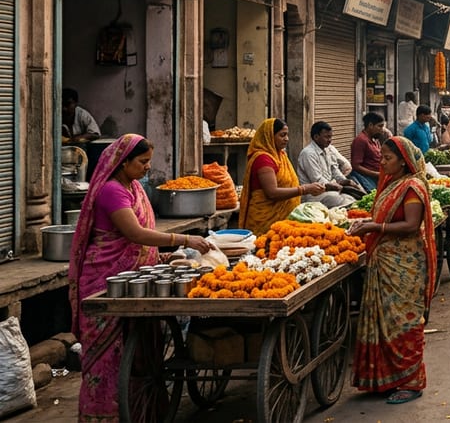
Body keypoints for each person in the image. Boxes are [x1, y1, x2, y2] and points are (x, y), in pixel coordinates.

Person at [69, 134, 215, 422]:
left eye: (149, 161)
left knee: (141, 354)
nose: (148, 167)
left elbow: (140, 243)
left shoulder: (135, 188)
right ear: (123, 163)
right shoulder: (112, 191)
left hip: (134, 277)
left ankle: (139, 412)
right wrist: (183, 239)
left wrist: (160, 257)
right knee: (107, 357)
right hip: (106, 281)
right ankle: (103, 415)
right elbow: (134, 234)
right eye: (142, 162)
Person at [348, 136, 437, 405]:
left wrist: (375, 228)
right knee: (384, 320)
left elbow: (411, 225)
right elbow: (383, 217)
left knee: (403, 322)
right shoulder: (392, 184)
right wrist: (369, 222)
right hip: (384, 260)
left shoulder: (412, 186)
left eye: (388, 158)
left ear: (403, 161)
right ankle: (386, 377)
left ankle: (411, 381)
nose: (383, 163)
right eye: (382, 157)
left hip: (405, 263)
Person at [240, 118, 324, 233]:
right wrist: (304, 189)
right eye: (282, 135)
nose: (287, 139)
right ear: (269, 136)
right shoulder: (263, 159)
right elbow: (272, 193)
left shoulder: (280, 155)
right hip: (266, 221)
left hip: (284, 220)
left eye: (287, 135)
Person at [295, 121, 360, 208]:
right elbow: (317, 180)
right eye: (326, 137)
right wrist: (336, 186)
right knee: (346, 201)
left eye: (330, 137)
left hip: (328, 190)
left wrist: (346, 182)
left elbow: (334, 170)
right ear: (316, 137)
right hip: (313, 195)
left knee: (356, 194)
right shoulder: (308, 153)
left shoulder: (328, 149)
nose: (330, 140)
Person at [351, 112, 387, 191]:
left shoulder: (375, 139)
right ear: (370, 125)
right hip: (367, 180)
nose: (382, 130)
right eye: (380, 126)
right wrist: (375, 174)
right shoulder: (360, 140)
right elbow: (356, 165)